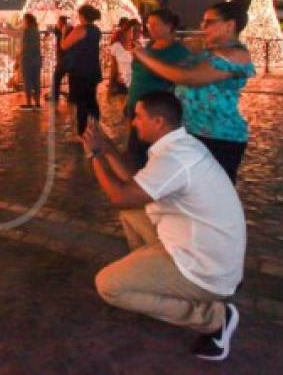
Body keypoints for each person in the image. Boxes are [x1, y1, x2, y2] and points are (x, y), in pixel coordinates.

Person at [84, 91, 245, 361]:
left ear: (158, 122)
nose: (133, 123)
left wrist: (95, 156)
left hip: (206, 268)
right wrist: (108, 148)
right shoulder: (179, 147)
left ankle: (214, 319)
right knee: (133, 211)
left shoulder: (175, 159)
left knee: (108, 285)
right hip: (204, 250)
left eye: (138, 117)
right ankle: (152, 279)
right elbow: (136, 186)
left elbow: (119, 196)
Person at [132, 0, 256, 182]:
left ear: (229, 26)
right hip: (194, 130)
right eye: (203, 22)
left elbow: (188, 78)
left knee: (211, 191)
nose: (202, 27)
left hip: (218, 135)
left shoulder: (235, 55)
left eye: (209, 22)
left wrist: (144, 57)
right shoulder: (209, 51)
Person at [125, 9, 191, 170]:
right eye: (148, 24)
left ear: (169, 27)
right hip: (136, 105)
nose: (150, 28)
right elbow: (138, 76)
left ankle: (145, 188)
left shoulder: (179, 52)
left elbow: (172, 76)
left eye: (155, 24)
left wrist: (144, 57)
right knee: (134, 150)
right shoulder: (149, 46)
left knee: (147, 155)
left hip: (155, 112)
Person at [61, 4, 102, 135]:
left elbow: (64, 45)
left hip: (80, 69)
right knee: (91, 98)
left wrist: (63, 32)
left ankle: (81, 133)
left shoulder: (81, 29)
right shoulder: (96, 30)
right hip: (93, 68)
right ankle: (95, 126)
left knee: (81, 102)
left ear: (82, 16)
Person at [108, 19, 139, 95]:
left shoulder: (140, 47)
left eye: (139, 30)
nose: (137, 33)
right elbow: (113, 67)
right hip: (122, 83)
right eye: (134, 30)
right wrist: (111, 84)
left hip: (136, 84)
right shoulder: (116, 46)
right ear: (126, 31)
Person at [48, 16, 71, 101]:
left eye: (58, 22)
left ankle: (54, 96)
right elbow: (53, 29)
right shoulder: (67, 30)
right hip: (67, 58)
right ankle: (71, 95)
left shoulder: (62, 32)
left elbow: (54, 30)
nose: (57, 23)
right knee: (69, 77)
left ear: (62, 23)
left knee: (56, 77)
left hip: (63, 59)